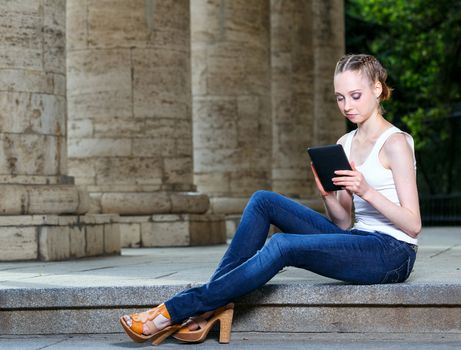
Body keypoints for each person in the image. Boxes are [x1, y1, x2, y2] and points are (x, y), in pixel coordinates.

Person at [120, 53, 421, 345]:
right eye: (340, 98)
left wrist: (366, 191)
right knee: (263, 200)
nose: (347, 105)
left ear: (377, 89)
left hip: (392, 253)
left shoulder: (395, 143)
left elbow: (413, 224)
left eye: (355, 96)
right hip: (359, 239)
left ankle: (179, 308)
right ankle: (214, 306)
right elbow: (342, 222)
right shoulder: (346, 142)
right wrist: (327, 194)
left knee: (282, 244)